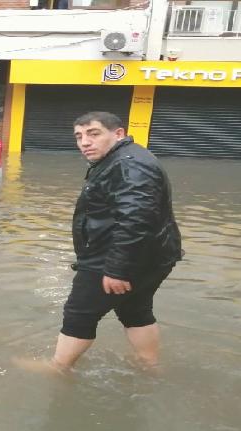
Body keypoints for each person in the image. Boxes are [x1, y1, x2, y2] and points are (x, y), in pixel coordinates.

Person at [20, 111, 182, 374]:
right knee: (135, 310)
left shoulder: (128, 165)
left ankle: (58, 367)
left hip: (113, 258)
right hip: (151, 256)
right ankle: (151, 366)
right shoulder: (126, 159)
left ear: (118, 134)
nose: (84, 142)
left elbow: (135, 219)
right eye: (79, 136)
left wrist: (117, 268)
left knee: (79, 313)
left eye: (93, 134)